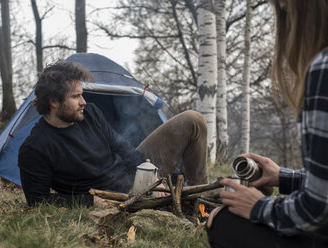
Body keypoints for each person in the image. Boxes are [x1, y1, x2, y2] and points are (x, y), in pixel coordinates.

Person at [206, 0, 328, 247]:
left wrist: (257, 206)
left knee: (224, 223)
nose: (282, 9)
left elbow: (316, 209)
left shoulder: (323, 69)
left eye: (285, 5)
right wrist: (284, 177)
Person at [18, 60, 208, 207]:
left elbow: (121, 146)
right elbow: (37, 200)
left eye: (81, 94)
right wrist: (87, 201)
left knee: (193, 120)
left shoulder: (90, 113)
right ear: (54, 102)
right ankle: (187, 199)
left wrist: (151, 176)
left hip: (136, 175)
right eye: (76, 96)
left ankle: (202, 199)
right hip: (118, 197)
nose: (83, 101)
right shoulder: (35, 148)